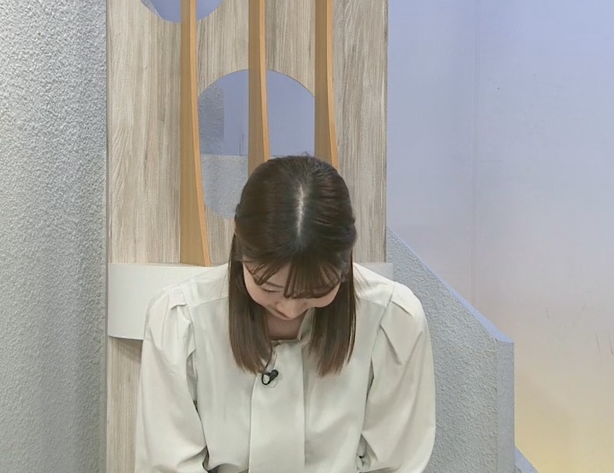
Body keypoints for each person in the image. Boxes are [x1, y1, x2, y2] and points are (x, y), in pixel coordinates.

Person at [135, 155, 436, 472]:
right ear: (240, 243)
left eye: (315, 290)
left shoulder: (393, 319)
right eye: (268, 286)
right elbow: (168, 463)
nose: (289, 309)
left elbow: (396, 463)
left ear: (345, 260)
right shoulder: (181, 318)